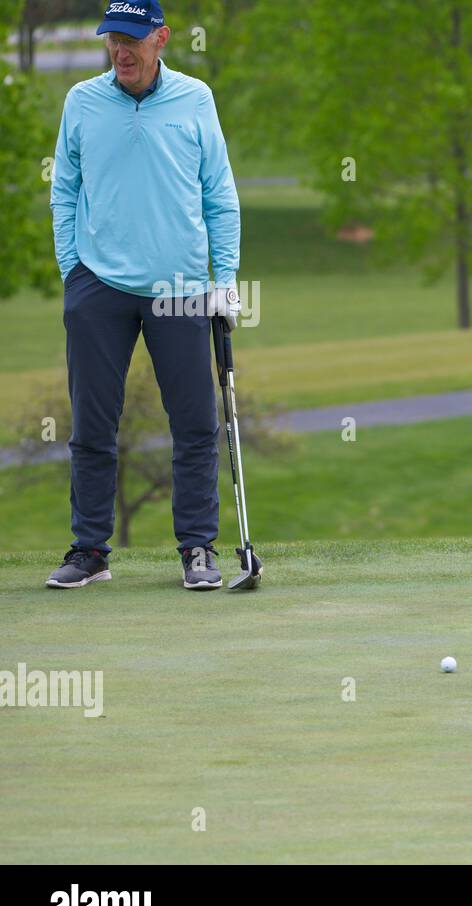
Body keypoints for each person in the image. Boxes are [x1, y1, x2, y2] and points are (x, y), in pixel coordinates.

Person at [47, 0, 242, 590]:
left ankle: (198, 549)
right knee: (92, 426)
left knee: (192, 423)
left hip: (180, 285)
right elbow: (63, 189)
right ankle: (89, 551)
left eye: (133, 39)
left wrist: (226, 280)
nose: (121, 51)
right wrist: (72, 273)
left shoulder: (195, 98)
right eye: (112, 39)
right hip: (99, 286)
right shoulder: (82, 100)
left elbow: (219, 194)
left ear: (160, 38)